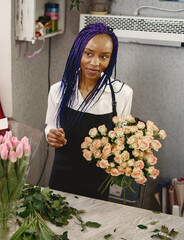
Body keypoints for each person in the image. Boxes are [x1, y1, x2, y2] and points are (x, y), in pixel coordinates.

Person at [45, 23, 133, 200]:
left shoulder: (122, 94)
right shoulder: (58, 90)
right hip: (61, 177)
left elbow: (121, 141)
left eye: (104, 57)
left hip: (97, 183)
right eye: (88, 54)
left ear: (111, 59)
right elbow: (50, 126)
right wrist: (51, 135)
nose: (95, 63)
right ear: (78, 52)